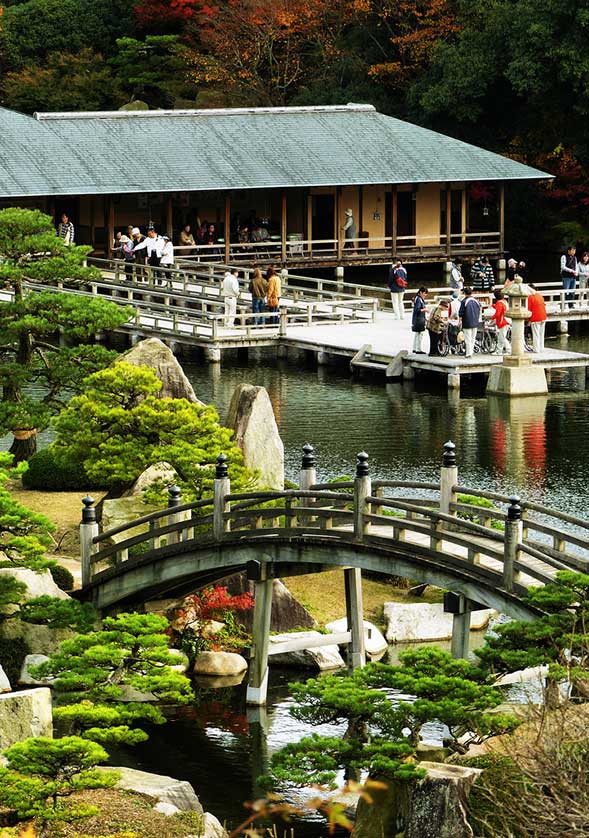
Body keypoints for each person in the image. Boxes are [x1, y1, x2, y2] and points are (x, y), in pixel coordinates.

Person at [458, 287, 481, 358]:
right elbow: (480, 309)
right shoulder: (476, 301)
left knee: (467, 338)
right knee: (473, 338)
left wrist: (459, 322)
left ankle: (468, 353)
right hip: (475, 322)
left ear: (464, 293)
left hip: (467, 322)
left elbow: (461, 313)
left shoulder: (464, 301)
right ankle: (471, 352)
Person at [488, 289, 511, 355]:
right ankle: (500, 350)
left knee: (502, 337)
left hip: (502, 321)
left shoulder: (499, 303)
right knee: (502, 337)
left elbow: (497, 314)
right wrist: (494, 306)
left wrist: (491, 318)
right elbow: (501, 309)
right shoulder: (504, 301)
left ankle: (508, 350)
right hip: (506, 320)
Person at [527, 283, 547, 353]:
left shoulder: (530, 297)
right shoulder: (540, 296)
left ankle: (536, 349)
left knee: (536, 334)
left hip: (535, 317)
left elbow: (528, 310)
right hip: (543, 316)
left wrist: (528, 320)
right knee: (541, 334)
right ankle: (541, 348)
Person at [411, 287, 428, 353]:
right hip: (419, 319)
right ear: (421, 292)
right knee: (420, 334)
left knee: (417, 334)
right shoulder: (419, 300)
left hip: (417, 319)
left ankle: (415, 348)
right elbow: (417, 310)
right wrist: (425, 309)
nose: (425, 295)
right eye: (424, 293)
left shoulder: (417, 298)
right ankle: (418, 349)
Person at [561, 245, 578, 309]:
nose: (574, 252)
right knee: (565, 291)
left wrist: (576, 272)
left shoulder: (575, 257)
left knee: (572, 291)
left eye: (574, 250)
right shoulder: (564, 257)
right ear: (569, 251)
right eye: (572, 250)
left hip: (573, 277)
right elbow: (563, 267)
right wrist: (571, 271)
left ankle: (570, 305)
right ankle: (564, 305)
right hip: (566, 276)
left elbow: (576, 266)